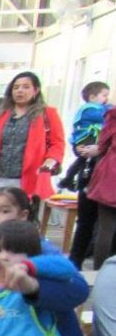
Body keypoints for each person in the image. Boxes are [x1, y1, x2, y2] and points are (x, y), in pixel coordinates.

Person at [0, 71, 66, 206]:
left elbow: (57, 143)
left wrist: (51, 160)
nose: (20, 91)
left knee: (23, 223)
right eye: (16, 87)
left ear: (36, 90)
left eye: (26, 87)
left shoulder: (48, 114)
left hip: (30, 180)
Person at [65, 82, 114, 268]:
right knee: (92, 222)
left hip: (101, 173)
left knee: (101, 225)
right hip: (94, 172)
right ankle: (80, 263)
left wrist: (98, 150)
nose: (106, 100)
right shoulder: (97, 112)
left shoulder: (108, 114)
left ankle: (86, 264)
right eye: (104, 95)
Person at [86, 102, 116, 266]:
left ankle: (99, 273)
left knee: (106, 228)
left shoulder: (113, 114)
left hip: (111, 176)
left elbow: (103, 144)